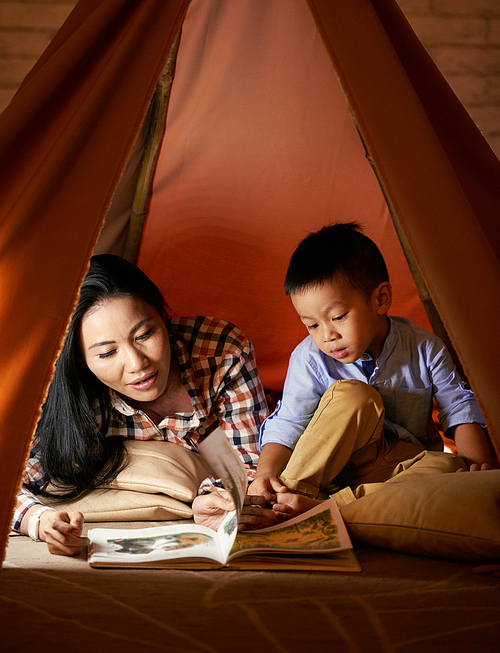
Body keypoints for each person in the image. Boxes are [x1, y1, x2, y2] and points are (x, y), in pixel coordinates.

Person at [13, 254, 275, 555]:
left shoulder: (221, 352)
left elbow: (250, 460)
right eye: (107, 353)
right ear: (82, 362)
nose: (138, 363)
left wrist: (210, 498)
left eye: (145, 334)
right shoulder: (75, 396)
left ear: (163, 317)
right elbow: (12, 479)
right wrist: (41, 521)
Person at [249, 222, 496, 519]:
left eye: (338, 317)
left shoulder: (425, 348)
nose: (327, 335)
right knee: (354, 395)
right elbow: (289, 421)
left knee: (451, 466)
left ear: (380, 299)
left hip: (398, 471)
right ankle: (287, 500)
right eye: (312, 325)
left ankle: (338, 509)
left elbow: (458, 407)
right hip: (330, 473)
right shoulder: (310, 359)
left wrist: (477, 470)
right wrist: (265, 473)